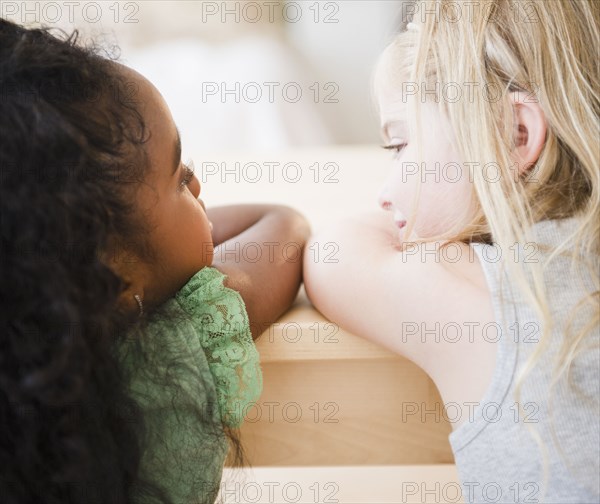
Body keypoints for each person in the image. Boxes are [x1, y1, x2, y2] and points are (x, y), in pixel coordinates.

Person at [0, 18, 309, 504]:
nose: (199, 186)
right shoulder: (164, 364)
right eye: (181, 177)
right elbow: (278, 227)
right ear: (112, 278)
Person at [304, 1, 599, 502]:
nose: (384, 191)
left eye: (399, 145)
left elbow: (332, 253)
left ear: (515, 135)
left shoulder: (482, 292)